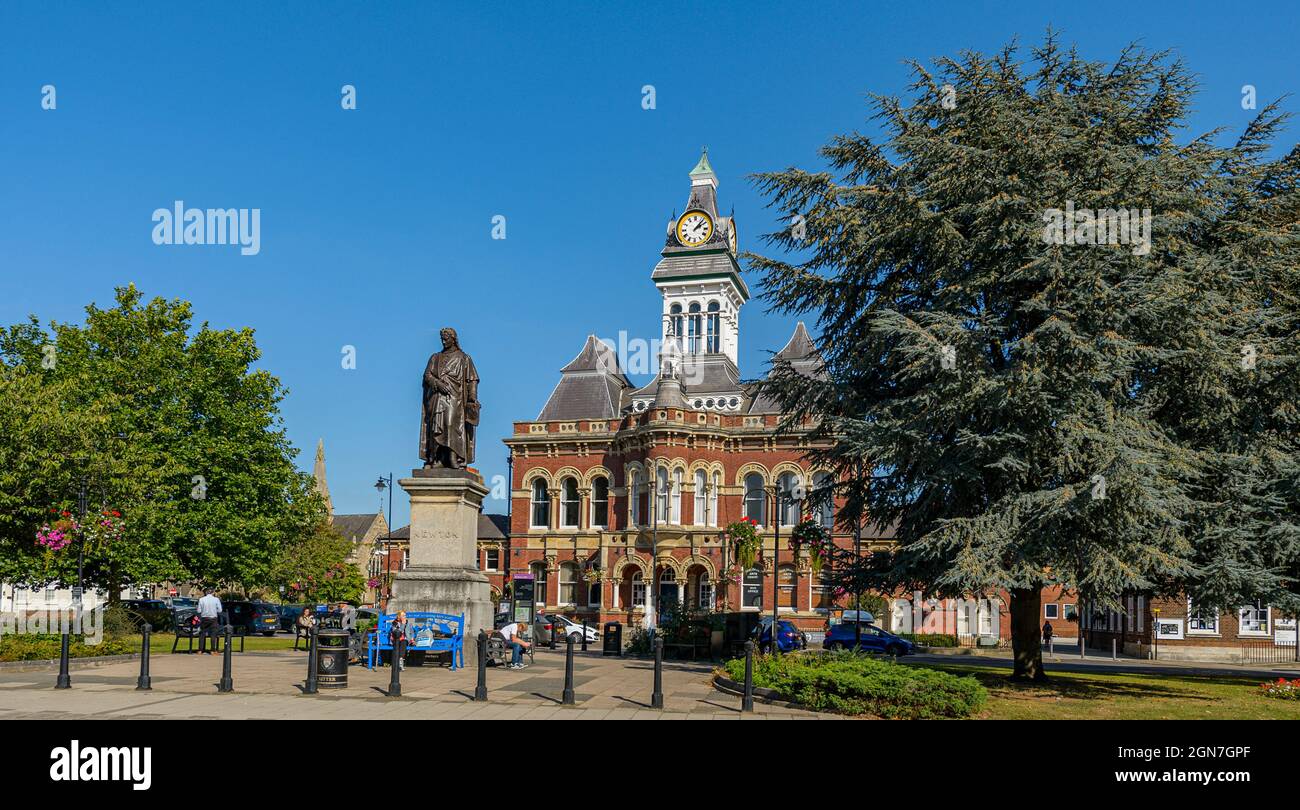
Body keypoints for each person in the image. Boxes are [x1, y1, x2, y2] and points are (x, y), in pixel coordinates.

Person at [196, 589, 222, 655]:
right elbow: (220, 610)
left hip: (204, 618)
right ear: (213, 592)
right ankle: (213, 650)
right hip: (213, 618)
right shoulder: (216, 599)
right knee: (213, 634)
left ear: (205, 593)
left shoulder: (201, 599)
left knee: (202, 634)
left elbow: (199, 611)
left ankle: (200, 650)